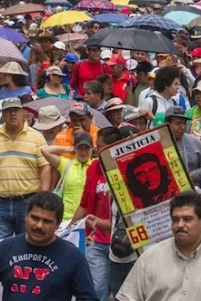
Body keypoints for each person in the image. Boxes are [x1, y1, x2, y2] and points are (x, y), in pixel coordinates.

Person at [0, 191, 97, 301]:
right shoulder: (5, 248)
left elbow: (88, 298)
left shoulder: (73, 256)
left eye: (47, 221)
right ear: (26, 216)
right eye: (34, 218)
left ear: (58, 223)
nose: (39, 226)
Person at [116, 190, 201, 301]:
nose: (180, 225)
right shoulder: (150, 258)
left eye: (187, 219)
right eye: (175, 219)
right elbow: (127, 297)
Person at [0, 98, 51, 240]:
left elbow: (45, 168)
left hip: (28, 201)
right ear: (2, 114)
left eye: (16, 110)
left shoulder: (37, 137)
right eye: (8, 111)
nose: (12, 114)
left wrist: (43, 197)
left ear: (23, 112)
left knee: (28, 246)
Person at [69, 126, 123, 301]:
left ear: (112, 147)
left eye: (99, 146)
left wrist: (101, 222)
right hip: (96, 242)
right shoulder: (93, 168)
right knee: (96, 291)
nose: (95, 150)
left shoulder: (127, 169)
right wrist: (68, 227)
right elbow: (84, 205)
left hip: (123, 244)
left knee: (121, 293)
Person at [41, 130, 94, 221]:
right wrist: (67, 149)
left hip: (89, 218)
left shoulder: (95, 165)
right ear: (74, 148)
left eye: (87, 148)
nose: (83, 152)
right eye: (80, 148)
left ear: (92, 149)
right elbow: (45, 151)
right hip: (66, 218)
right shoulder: (66, 164)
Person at [165, 106, 201, 187]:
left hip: (191, 192)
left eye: (184, 123)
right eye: (178, 123)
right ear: (167, 124)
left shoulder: (195, 142)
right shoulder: (158, 144)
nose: (182, 127)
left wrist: (193, 175)